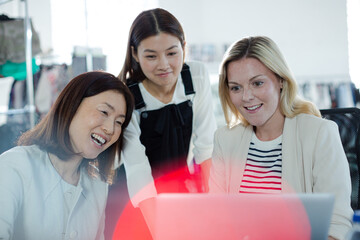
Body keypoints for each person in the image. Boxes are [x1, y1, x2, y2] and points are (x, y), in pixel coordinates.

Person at [209, 36, 352, 240]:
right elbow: (216, 221)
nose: (246, 96)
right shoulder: (225, 139)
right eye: (236, 87)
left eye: (257, 83)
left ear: (281, 81)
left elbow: (337, 226)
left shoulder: (320, 133)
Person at [105, 7, 217, 239]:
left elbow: (206, 147)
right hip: (138, 197)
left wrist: (213, 205)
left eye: (172, 53)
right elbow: (138, 167)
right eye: (151, 56)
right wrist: (160, 231)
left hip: (181, 190)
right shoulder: (126, 94)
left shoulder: (195, 76)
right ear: (135, 54)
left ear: (184, 47)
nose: (164, 65)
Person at [0, 71, 134, 240]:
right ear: (72, 105)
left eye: (119, 122)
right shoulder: (15, 166)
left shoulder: (98, 186)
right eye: (104, 112)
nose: (110, 129)